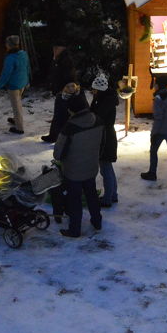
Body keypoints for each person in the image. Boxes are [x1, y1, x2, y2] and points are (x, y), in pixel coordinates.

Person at [54, 95, 104, 238]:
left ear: (71, 110)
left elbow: (58, 153)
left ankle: (74, 229)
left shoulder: (70, 127)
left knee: (74, 200)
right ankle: (97, 221)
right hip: (91, 167)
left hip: (73, 172)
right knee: (92, 195)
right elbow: (102, 144)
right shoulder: (98, 121)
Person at [90, 74, 120, 207]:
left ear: (99, 90)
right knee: (108, 168)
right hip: (107, 136)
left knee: (105, 169)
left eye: (94, 90)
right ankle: (113, 195)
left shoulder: (104, 102)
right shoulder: (105, 99)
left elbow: (96, 117)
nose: (92, 92)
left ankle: (108, 198)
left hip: (105, 139)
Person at [0, 35, 31, 134]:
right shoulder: (23, 54)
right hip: (22, 82)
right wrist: (27, 80)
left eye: (7, 44)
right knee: (18, 103)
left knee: (16, 105)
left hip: (14, 85)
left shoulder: (10, 58)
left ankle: (19, 128)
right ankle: (17, 119)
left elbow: (6, 74)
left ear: (9, 45)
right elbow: (27, 68)